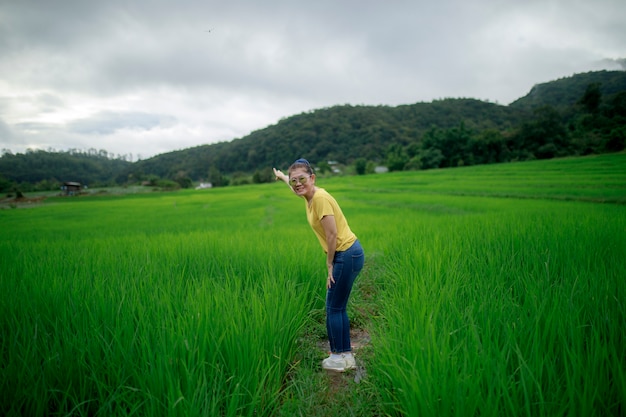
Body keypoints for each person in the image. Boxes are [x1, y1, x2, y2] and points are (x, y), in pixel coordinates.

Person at [273, 158, 365, 372]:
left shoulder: (320, 198)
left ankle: (338, 357)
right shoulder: (309, 193)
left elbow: (332, 234)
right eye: (294, 180)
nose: (297, 184)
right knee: (338, 306)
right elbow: (297, 186)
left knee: (333, 307)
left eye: (301, 179)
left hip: (345, 254)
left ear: (312, 178)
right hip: (351, 253)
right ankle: (345, 355)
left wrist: (329, 264)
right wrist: (283, 178)